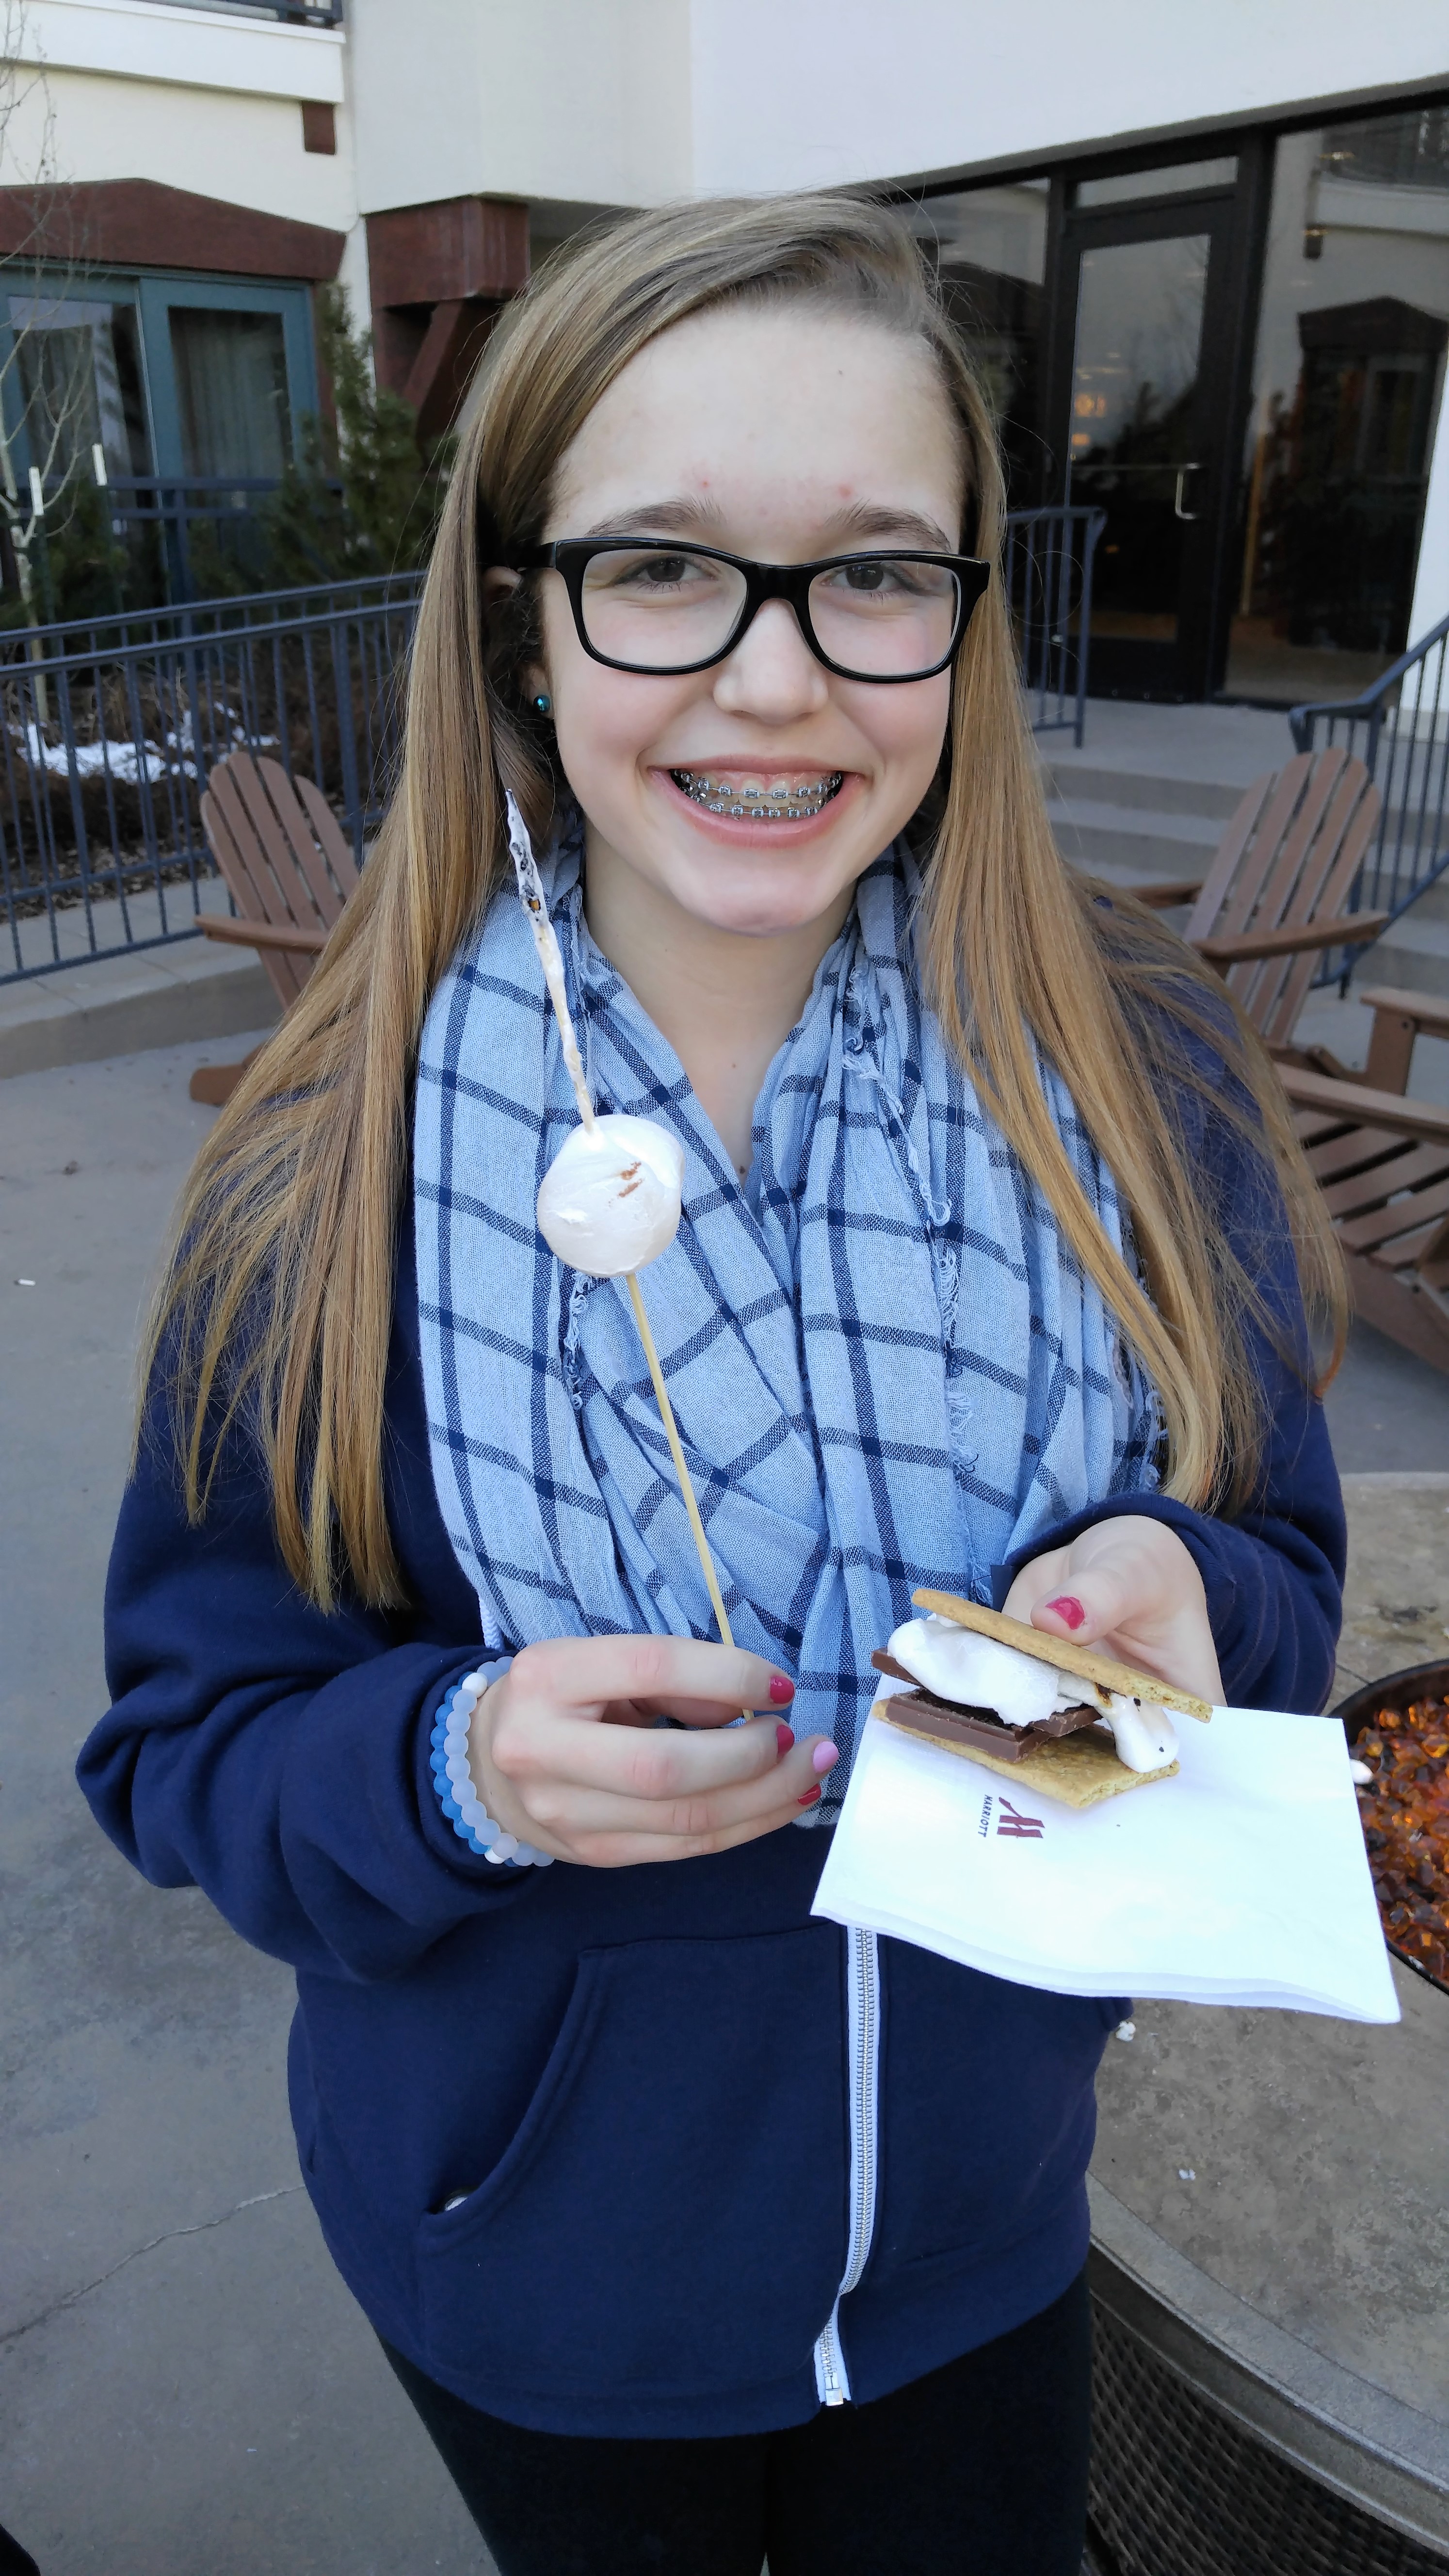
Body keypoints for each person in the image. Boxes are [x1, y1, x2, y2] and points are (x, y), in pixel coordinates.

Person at [80, 194, 1346, 2576]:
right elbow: (186, 1747)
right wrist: (458, 1764)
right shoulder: (333, 1173)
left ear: (968, 617)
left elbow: (1277, 1561)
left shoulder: (1135, 1077)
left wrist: (1189, 1591)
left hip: (992, 2228)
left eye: (873, 575)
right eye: (661, 567)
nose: (776, 679)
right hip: (540, 2264)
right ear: (523, 622)